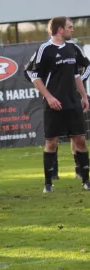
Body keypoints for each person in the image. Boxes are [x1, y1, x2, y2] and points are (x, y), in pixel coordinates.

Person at [25, 16, 90, 193]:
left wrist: (83, 96)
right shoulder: (45, 49)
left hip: (73, 103)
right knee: (52, 142)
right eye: (70, 27)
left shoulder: (73, 48)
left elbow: (76, 74)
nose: (72, 29)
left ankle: (86, 180)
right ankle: (48, 183)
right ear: (60, 30)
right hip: (52, 104)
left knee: (80, 140)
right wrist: (50, 97)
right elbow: (33, 76)